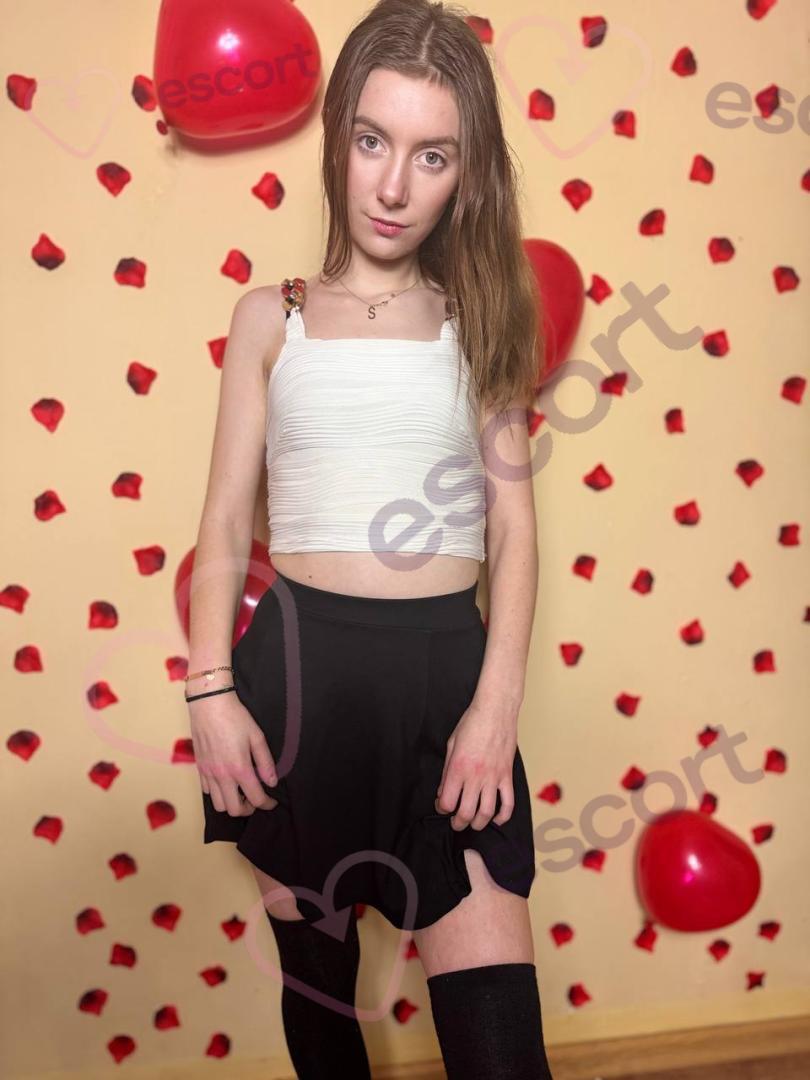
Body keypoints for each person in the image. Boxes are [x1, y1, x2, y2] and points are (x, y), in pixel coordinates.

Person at [186, 0, 554, 1076]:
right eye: (372, 141)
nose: (394, 186)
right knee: (326, 1032)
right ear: (337, 135)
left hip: (448, 696)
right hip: (295, 691)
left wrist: (495, 708)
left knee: (501, 1056)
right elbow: (223, 521)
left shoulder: (484, 317)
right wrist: (210, 694)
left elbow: (514, 531)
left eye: (432, 155)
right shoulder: (270, 318)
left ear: (466, 174)